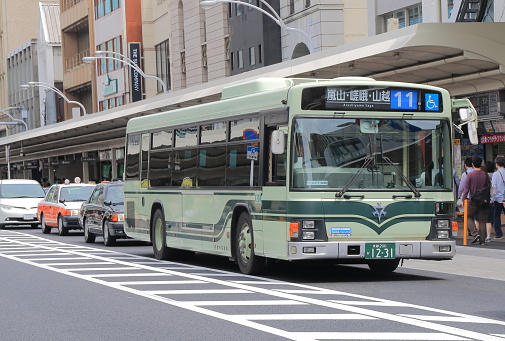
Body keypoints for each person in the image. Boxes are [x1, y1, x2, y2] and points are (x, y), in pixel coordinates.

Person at [461, 156, 490, 245]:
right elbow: (489, 185)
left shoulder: (470, 175)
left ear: (472, 164)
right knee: (482, 220)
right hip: (483, 200)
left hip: (473, 200)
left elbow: (466, 189)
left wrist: (463, 199)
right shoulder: (485, 174)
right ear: (481, 164)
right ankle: (482, 240)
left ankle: (475, 233)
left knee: (468, 216)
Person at [491, 156, 505, 240]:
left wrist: (492, 198)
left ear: (496, 165)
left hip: (498, 198)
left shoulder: (495, 174)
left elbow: (494, 187)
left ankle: (498, 233)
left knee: (496, 216)